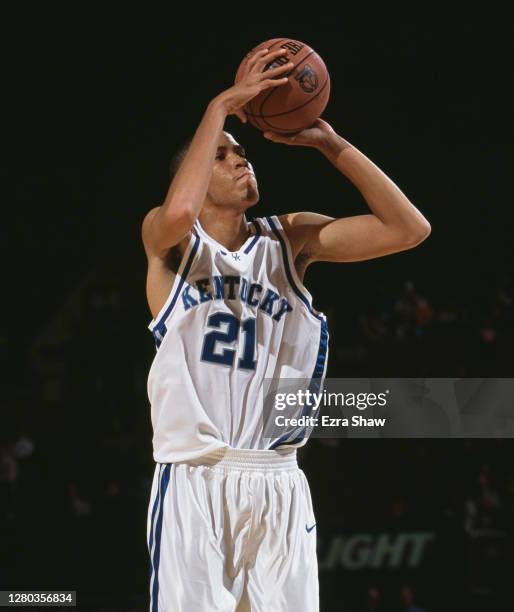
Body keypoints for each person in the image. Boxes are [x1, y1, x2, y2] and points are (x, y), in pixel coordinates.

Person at [142, 46, 431, 612]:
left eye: (242, 152)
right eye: (223, 157)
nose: (241, 160)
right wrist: (221, 106)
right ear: (196, 178)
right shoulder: (171, 243)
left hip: (279, 480)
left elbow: (409, 228)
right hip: (196, 476)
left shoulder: (289, 240)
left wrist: (331, 144)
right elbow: (178, 212)